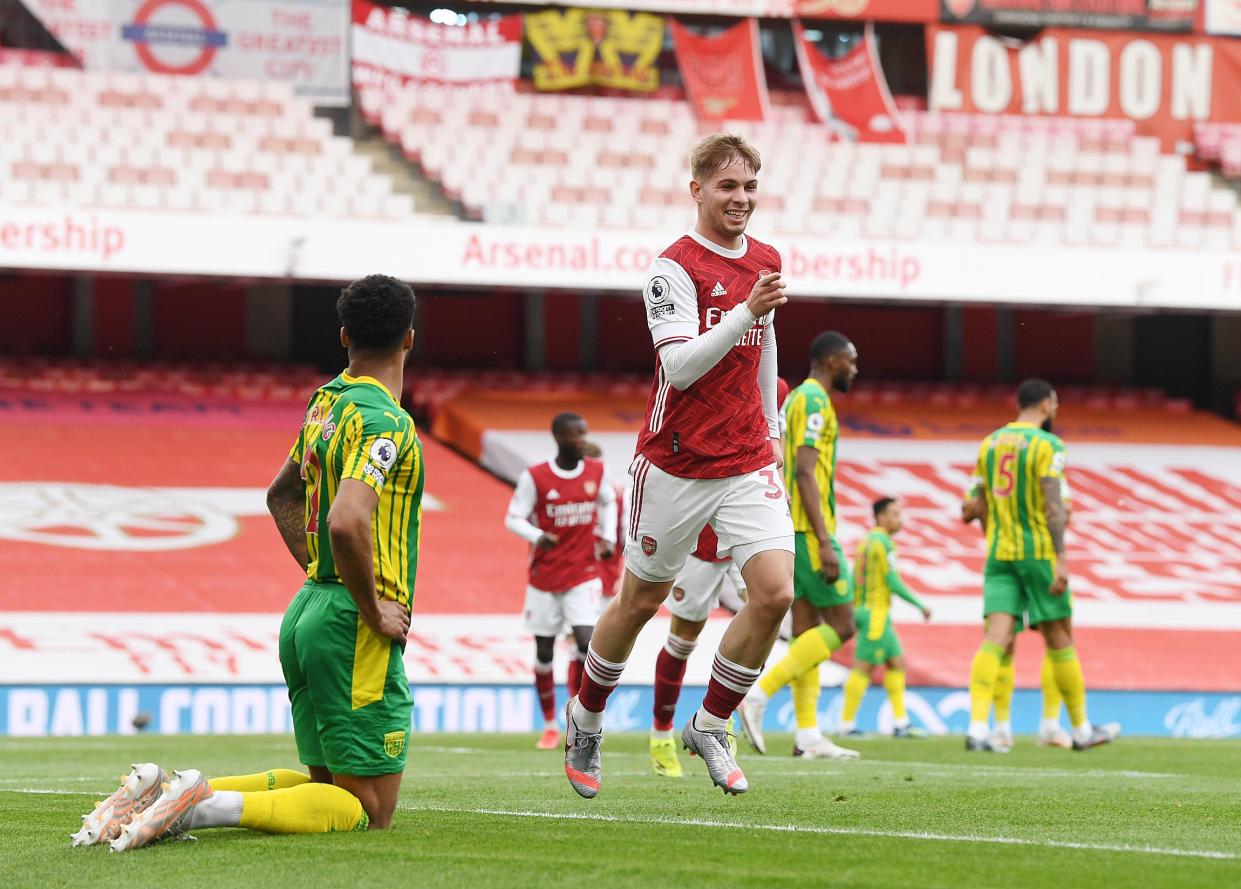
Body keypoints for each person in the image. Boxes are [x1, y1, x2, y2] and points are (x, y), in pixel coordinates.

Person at [81, 274, 424, 851]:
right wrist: (371, 607)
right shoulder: (387, 421)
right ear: (409, 339)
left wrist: (321, 573)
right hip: (351, 622)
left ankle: (165, 792)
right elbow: (346, 518)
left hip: (309, 609)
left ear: (343, 336)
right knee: (367, 809)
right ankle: (200, 808)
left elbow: (279, 495)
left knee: (328, 785)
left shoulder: (327, 403)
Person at [562, 133, 794, 798]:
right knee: (639, 599)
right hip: (676, 462)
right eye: (727, 186)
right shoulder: (672, 269)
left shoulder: (766, 259)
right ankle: (585, 719)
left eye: (749, 187)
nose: (741, 199)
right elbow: (681, 366)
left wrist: (771, 426)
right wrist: (745, 309)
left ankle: (710, 724)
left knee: (775, 592)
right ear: (696, 190)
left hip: (746, 458)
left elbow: (766, 335)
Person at [961, 379, 1119, 752]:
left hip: (999, 554)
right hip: (1037, 553)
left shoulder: (990, 443)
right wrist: (1061, 559)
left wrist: (994, 529)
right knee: (1060, 638)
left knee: (995, 639)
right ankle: (1081, 730)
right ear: (1047, 404)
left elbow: (972, 504)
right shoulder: (1049, 445)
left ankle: (978, 728)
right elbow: (1054, 505)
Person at [739, 331, 861, 760]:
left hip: (793, 527)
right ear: (830, 361)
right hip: (811, 533)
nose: (854, 369)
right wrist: (825, 542)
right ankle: (759, 693)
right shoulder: (813, 400)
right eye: (850, 360)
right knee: (845, 625)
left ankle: (807, 735)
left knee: (806, 633)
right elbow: (806, 472)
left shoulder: (796, 401)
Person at [505, 414, 616, 750]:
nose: (582, 439)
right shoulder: (536, 477)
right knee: (543, 651)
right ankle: (549, 724)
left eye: (584, 432)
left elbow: (608, 501)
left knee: (587, 643)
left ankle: (579, 715)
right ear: (558, 437)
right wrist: (539, 536)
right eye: (575, 434)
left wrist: (608, 537)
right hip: (544, 578)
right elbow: (512, 518)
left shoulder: (597, 472)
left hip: (583, 574)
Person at [962, 500, 1071, 750]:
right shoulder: (1001, 462)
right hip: (1013, 559)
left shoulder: (1042, 466)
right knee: (1005, 643)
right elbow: (968, 510)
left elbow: (1064, 513)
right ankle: (999, 729)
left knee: (1055, 639)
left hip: (1034, 560)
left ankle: (1050, 725)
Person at [648, 524, 747, 778]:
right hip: (703, 537)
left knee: (767, 613)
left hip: (750, 526)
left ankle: (718, 718)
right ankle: (661, 737)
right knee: (683, 641)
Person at [838, 497, 932, 737]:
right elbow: (892, 580)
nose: (899, 519)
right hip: (875, 614)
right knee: (863, 668)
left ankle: (901, 722)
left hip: (868, 611)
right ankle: (845, 724)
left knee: (897, 663)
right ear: (881, 517)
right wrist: (919, 604)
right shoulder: (884, 543)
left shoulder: (866, 541)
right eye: (895, 514)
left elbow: (852, 577)